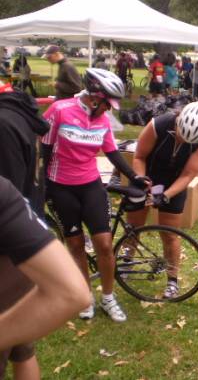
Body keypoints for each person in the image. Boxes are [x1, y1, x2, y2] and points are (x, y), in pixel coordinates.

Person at [42, 68, 150, 323]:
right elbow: (44, 148)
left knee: (104, 244)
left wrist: (134, 176)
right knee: (76, 245)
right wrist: (43, 185)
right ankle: (85, 297)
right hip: (61, 187)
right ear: (93, 97)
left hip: (91, 185)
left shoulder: (102, 119)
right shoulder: (59, 110)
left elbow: (111, 152)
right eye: (107, 104)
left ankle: (108, 298)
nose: (109, 109)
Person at [0, 177, 90, 375]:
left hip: (18, 246)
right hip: (22, 243)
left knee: (24, 350)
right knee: (23, 349)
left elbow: (71, 293)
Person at [126, 101, 198, 298]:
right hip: (146, 175)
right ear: (178, 120)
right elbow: (139, 157)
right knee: (134, 226)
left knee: (170, 233)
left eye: (188, 140)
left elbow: (188, 174)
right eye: (180, 134)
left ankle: (172, 280)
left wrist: (166, 196)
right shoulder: (158, 125)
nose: (182, 140)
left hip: (175, 182)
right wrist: (142, 182)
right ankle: (127, 261)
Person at [0, 81, 49, 379]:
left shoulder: (3, 124)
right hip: (25, 242)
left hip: (8, 254)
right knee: (23, 348)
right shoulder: (19, 114)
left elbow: (8, 195)